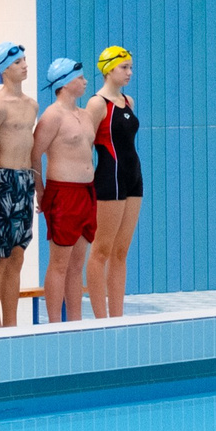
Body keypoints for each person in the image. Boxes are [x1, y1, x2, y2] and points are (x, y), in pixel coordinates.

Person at [35, 57, 97, 323]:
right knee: (59, 263)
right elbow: (35, 154)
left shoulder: (85, 115)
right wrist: (40, 191)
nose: (85, 82)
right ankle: (53, 324)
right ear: (65, 82)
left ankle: (75, 322)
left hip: (87, 192)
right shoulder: (52, 116)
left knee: (77, 265)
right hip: (62, 193)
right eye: (80, 78)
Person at [0, 41, 39, 328]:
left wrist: (36, 187)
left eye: (24, 60)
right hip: (2, 180)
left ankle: (11, 324)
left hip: (25, 181)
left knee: (18, 255)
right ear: (5, 69)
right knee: (0, 258)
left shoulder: (32, 105)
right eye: (18, 62)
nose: (25, 65)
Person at [86, 45, 141, 319]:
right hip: (110, 178)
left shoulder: (128, 101)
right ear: (108, 70)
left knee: (121, 251)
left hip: (134, 178)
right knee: (101, 251)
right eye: (124, 67)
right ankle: (100, 319)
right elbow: (84, 144)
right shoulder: (97, 103)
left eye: (130, 67)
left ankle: (117, 317)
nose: (129, 72)